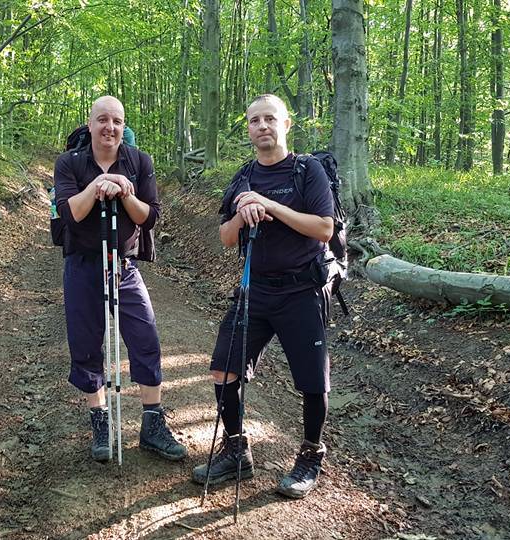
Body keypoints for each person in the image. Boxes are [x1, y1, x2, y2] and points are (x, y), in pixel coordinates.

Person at [191, 94, 334, 499]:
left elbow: (323, 228)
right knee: (223, 369)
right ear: (249, 129)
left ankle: (310, 456)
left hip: (302, 290)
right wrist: (242, 212)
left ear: (287, 125)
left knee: (311, 382)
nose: (262, 127)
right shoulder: (243, 177)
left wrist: (268, 204)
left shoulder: (310, 171)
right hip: (255, 291)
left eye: (270, 119)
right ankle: (236, 451)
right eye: (254, 121)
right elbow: (224, 237)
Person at [53, 96, 187, 463]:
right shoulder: (69, 163)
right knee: (85, 342)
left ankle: (152, 423)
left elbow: (149, 216)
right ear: (90, 123)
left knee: (145, 338)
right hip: (83, 264)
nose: (109, 127)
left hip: (124, 266)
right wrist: (98, 184)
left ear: (123, 125)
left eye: (116, 121)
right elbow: (70, 214)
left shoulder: (139, 161)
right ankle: (100, 419)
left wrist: (125, 190)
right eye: (102, 120)